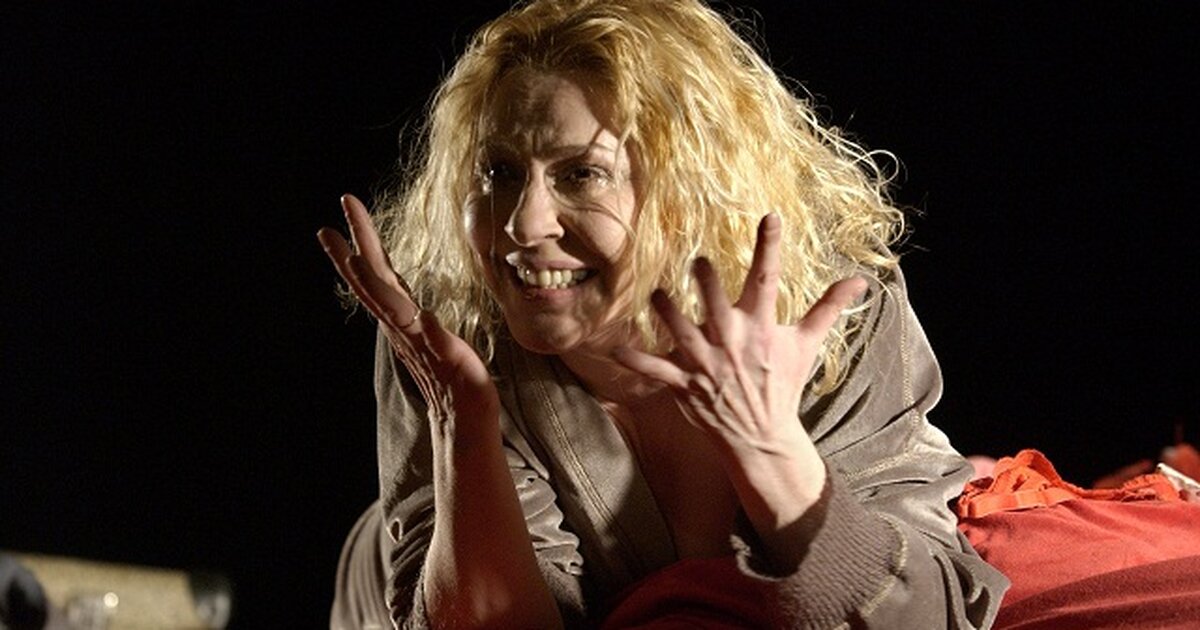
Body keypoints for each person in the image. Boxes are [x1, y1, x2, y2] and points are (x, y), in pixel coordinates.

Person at [319, 0, 1008, 627]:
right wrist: (461, 423)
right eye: (499, 172)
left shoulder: (826, 313)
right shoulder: (447, 330)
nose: (524, 225)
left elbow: (927, 617)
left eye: (581, 174)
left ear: (689, 189)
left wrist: (771, 446)